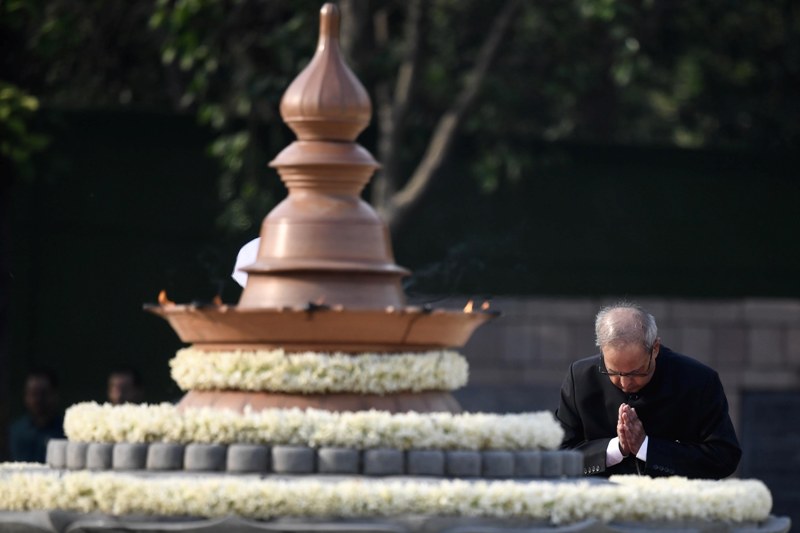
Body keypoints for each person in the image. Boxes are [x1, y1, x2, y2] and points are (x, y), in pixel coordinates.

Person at [555, 302, 741, 479]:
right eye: (613, 372)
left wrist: (647, 447)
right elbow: (558, 454)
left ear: (655, 349)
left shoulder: (698, 381)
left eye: (637, 372)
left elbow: (724, 457)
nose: (625, 383)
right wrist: (615, 449)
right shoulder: (580, 377)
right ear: (602, 351)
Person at [9, 368, 66, 463]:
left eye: (43, 394)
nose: (38, 400)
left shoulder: (65, 432)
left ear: (55, 395)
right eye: (33, 394)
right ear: (26, 397)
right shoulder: (15, 432)